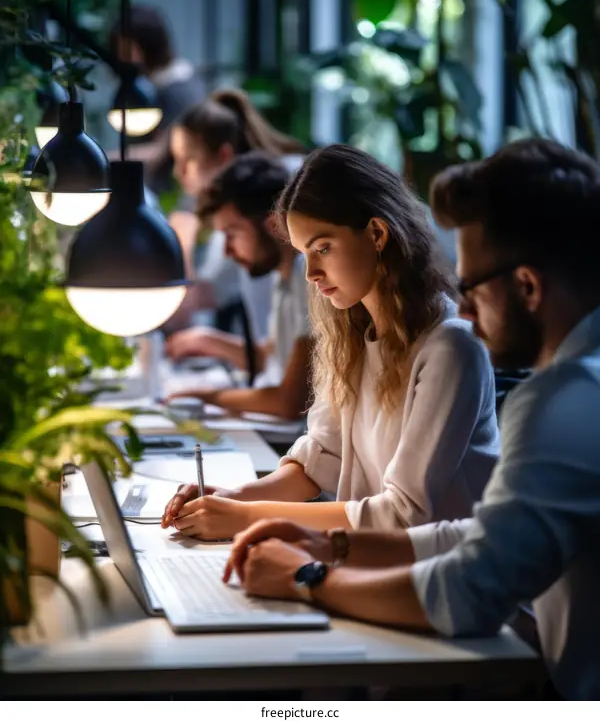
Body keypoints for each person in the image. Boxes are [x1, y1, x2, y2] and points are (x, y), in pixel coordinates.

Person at [221, 138, 600, 701]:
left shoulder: (563, 398)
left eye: (471, 289)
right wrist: (328, 545)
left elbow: (468, 591)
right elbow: (471, 536)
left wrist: (309, 578)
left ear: (527, 285)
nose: (464, 309)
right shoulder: (579, 386)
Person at [162, 144, 498, 541]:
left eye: (323, 248)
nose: (312, 273)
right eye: (305, 253)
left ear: (377, 233)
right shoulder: (352, 336)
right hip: (368, 564)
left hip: (434, 586)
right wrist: (232, 499)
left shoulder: (450, 348)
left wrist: (246, 516)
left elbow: (403, 515)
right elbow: (317, 461)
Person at [166, 151, 312, 420]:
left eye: (231, 234)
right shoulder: (284, 277)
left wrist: (207, 397)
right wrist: (205, 339)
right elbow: (268, 356)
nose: (227, 252)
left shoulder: (310, 275)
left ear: (273, 226)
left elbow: (290, 401)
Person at [166, 88, 306, 339]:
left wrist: (181, 241)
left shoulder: (289, 188)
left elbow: (190, 304)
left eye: (188, 160)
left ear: (224, 156)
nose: (179, 173)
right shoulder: (235, 211)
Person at [109, 4, 204, 193]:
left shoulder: (176, 88)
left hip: (171, 193)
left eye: (128, 48)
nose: (122, 56)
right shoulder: (147, 84)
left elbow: (159, 152)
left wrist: (104, 158)